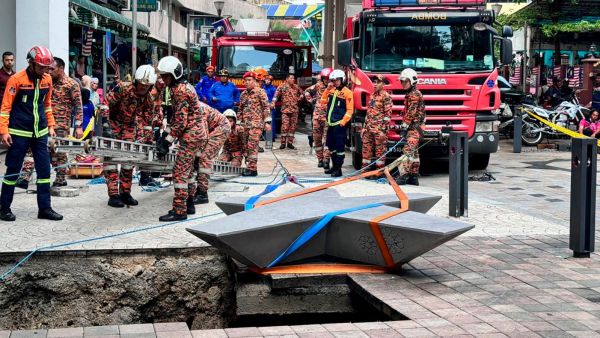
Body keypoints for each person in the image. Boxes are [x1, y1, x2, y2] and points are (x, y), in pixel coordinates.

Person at [0, 46, 63, 221]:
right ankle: (4, 207)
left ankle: (45, 208)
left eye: (46, 67)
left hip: (40, 132)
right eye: (41, 67)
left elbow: (47, 104)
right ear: (31, 63)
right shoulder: (16, 80)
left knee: (44, 171)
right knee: (13, 171)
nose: (44, 70)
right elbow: (5, 108)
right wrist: (4, 131)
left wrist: (51, 125)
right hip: (19, 132)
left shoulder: (47, 79)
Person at [19, 56, 84, 189]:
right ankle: (25, 177)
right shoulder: (45, 81)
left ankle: (60, 179)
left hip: (61, 124)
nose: (49, 71)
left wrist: (78, 126)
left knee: (59, 151)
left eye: (52, 69)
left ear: (61, 68)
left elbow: (78, 106)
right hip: (43, 122)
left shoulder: (71, 84)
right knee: (33, 148)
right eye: (48, 68)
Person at [156, 56, 209, 221]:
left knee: (179, 173)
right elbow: (176, 118)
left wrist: (166, 142)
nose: (163, 79)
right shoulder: (182, 87)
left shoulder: (180, 91)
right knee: (189, 171)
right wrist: (167, 135)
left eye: (165, 76)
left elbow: (180, 121)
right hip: (197, 134)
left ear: (174, 74)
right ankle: (189, 203)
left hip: (191, 136)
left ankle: (180, 211)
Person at [103, 64, 157, 208]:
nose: (142, 88)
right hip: (112, 124)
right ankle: (113, 195)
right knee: (111, 159)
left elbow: (147, 120)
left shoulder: (149, 99)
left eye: (146, 86)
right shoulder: (123, 88)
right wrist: (105, 124)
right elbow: (106, 103)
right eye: (141, 85)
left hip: (129, 126)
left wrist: (148, 137)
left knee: (129, 158)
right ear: (136, 82)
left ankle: (125, 192)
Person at [190, 104, 231, 205]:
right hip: (212, 128)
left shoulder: (198, 109)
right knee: (198, 155)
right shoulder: (185, 106)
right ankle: (198, 190)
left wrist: (197, 155)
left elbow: (202, 135)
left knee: (204, 158)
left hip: (221, 128)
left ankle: (202, 194)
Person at [320, 69, 353, 177]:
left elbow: (350, 110)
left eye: (337, 80)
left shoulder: (347, 93)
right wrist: (327, 90)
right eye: (334, 80)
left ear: (342, 79)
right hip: (331, 124)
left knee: (339, 149)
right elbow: (323, 102)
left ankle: (338, 169)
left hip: (339, 125)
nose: (335, 82)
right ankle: (334, 167)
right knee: (331, 148)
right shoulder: (332, 90)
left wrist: (343, 123)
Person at [238, 71, 271, 177]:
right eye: (245, 81)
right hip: (245, 125)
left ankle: (252, 169)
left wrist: (267, 121)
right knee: (245, 146)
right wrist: (238, 123)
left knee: (252, 146)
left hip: (256, 124)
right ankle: (249, 166)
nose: (247, 82)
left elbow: (266, 107)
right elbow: (240, 109)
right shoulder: (243, 94)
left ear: (254, 81)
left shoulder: (260, 92)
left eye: (249, 80)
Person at [396, 68, 425, 186]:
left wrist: (403, 127)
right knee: (414, 153)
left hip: (414, 128)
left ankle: (403, 176)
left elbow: (411, 113)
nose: (402, 83)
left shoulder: (414, 95)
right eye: (401, 81)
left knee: (407, 151)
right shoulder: (410, 94)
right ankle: (413, 176)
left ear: (412, 81)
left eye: (405, 81)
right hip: (413, 128)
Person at [362, 74, 392, 172]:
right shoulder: (372, 95)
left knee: (380, 152)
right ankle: (365, 170)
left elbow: (388, 115)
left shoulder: (386, 96)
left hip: (379, 130)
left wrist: (383, 130)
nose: (375, 84)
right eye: (374, 82)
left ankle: (379, 172)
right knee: (366, 150)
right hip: (369, 129)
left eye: (378, 82)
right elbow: (368, 112)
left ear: (383, 84)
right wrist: (364, 127)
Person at [306, 68, 332, 168]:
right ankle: (320, 159)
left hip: (327, 118)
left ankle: (326, 160)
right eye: (324, 78)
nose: (326, 80)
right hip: (317, 117)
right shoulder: (318, 85)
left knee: (327, 140)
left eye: (328, 78)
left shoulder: (334, 88)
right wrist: (310, 100)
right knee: (317, 139)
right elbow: (307, 91)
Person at [272, 73, 303, 149]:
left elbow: (302, 93)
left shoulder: (296, 87)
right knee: (284, 127)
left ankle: (290, 143)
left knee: (293, 127)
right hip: (285, 111)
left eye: (293, 78)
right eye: (291, 78)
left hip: (294, 110)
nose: (293, 80)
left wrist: (299, 98)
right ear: (287, 79)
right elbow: (276, 95)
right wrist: (273, 102)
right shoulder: (282, 86)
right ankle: (283, 143)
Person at [262, 75, 277, 142]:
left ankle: (272, 137)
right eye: (266, 80)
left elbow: (275, 97)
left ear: (271, 81)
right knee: (263, 122)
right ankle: (264, 136)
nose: (267, 81)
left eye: (269, 80)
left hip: (270, 107)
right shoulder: (263, 88)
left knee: (271, 122)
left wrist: (272, 104)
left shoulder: (273, 89)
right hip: (263, 107)